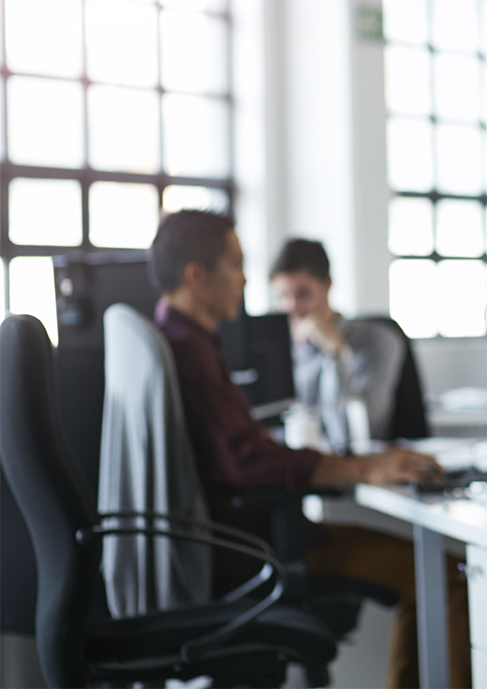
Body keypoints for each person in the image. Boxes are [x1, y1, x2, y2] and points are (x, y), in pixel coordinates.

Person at [148, 210, 469, 688]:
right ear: (197, 276)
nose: (242, 280)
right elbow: (245, 460)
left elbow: (243, 447)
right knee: (447, 578)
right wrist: (363, 468)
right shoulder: (189, 351)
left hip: (239, 541)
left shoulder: (177, 340)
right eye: (235, 265)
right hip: (260, 550)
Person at [270, 238, 408, 448]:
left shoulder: (379, 341)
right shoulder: (278, 349)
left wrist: (334, 352)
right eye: (283, 296)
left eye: (302, 294)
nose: (292, 307)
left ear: (327, 284)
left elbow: (350, 437)